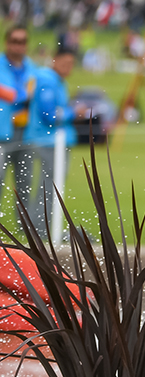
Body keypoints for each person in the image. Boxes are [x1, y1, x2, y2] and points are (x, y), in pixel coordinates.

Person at [25, 47, 77, 239]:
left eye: (71, 64)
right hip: (48, 141)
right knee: (50, 185)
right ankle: (41, 229)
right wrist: (74, 113)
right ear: (54, 60)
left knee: (49, 184)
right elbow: (49, 115)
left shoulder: (55, 80)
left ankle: (41, 227)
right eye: (65, 63)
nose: (68, 67)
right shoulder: (47, 80)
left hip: (52, 140)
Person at [0, 25, 36, 220]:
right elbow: (12, 95)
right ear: (7, 42)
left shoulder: (32, 68)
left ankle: (25, 227)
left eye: (22, 42)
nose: (18, 46)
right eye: (14, 41)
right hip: (2, 132)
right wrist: (21, 95)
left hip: (26, 131)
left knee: (25, 181)